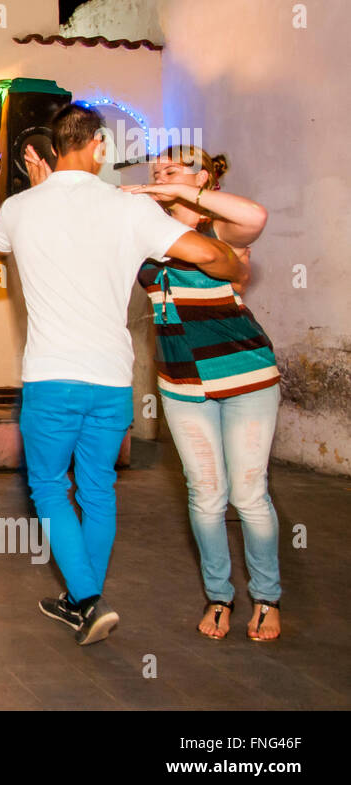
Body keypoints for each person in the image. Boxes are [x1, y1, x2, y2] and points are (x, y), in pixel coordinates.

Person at [0, 104, 247, 646]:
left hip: (51, 378)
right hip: (111, 379)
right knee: (100, 489)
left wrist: (39, 187)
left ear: (51, 151)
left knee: (49, 488)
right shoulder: (131, 210)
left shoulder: (18, 207)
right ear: (101, 148)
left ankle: (86, 598)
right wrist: (232, 264)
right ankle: (83, 599)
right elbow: (210, 256)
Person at [127, 147, 282, 641]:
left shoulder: (221, 231)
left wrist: (179, 191)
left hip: (246, 377)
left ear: (202, 179)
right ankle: (220, 596)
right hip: (180, 381)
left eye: (171, 171)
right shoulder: (149, 235)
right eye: (156, 173)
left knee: (248, 494)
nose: (159, 178)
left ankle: (267, 598)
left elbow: (255, 216)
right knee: (207, 496)